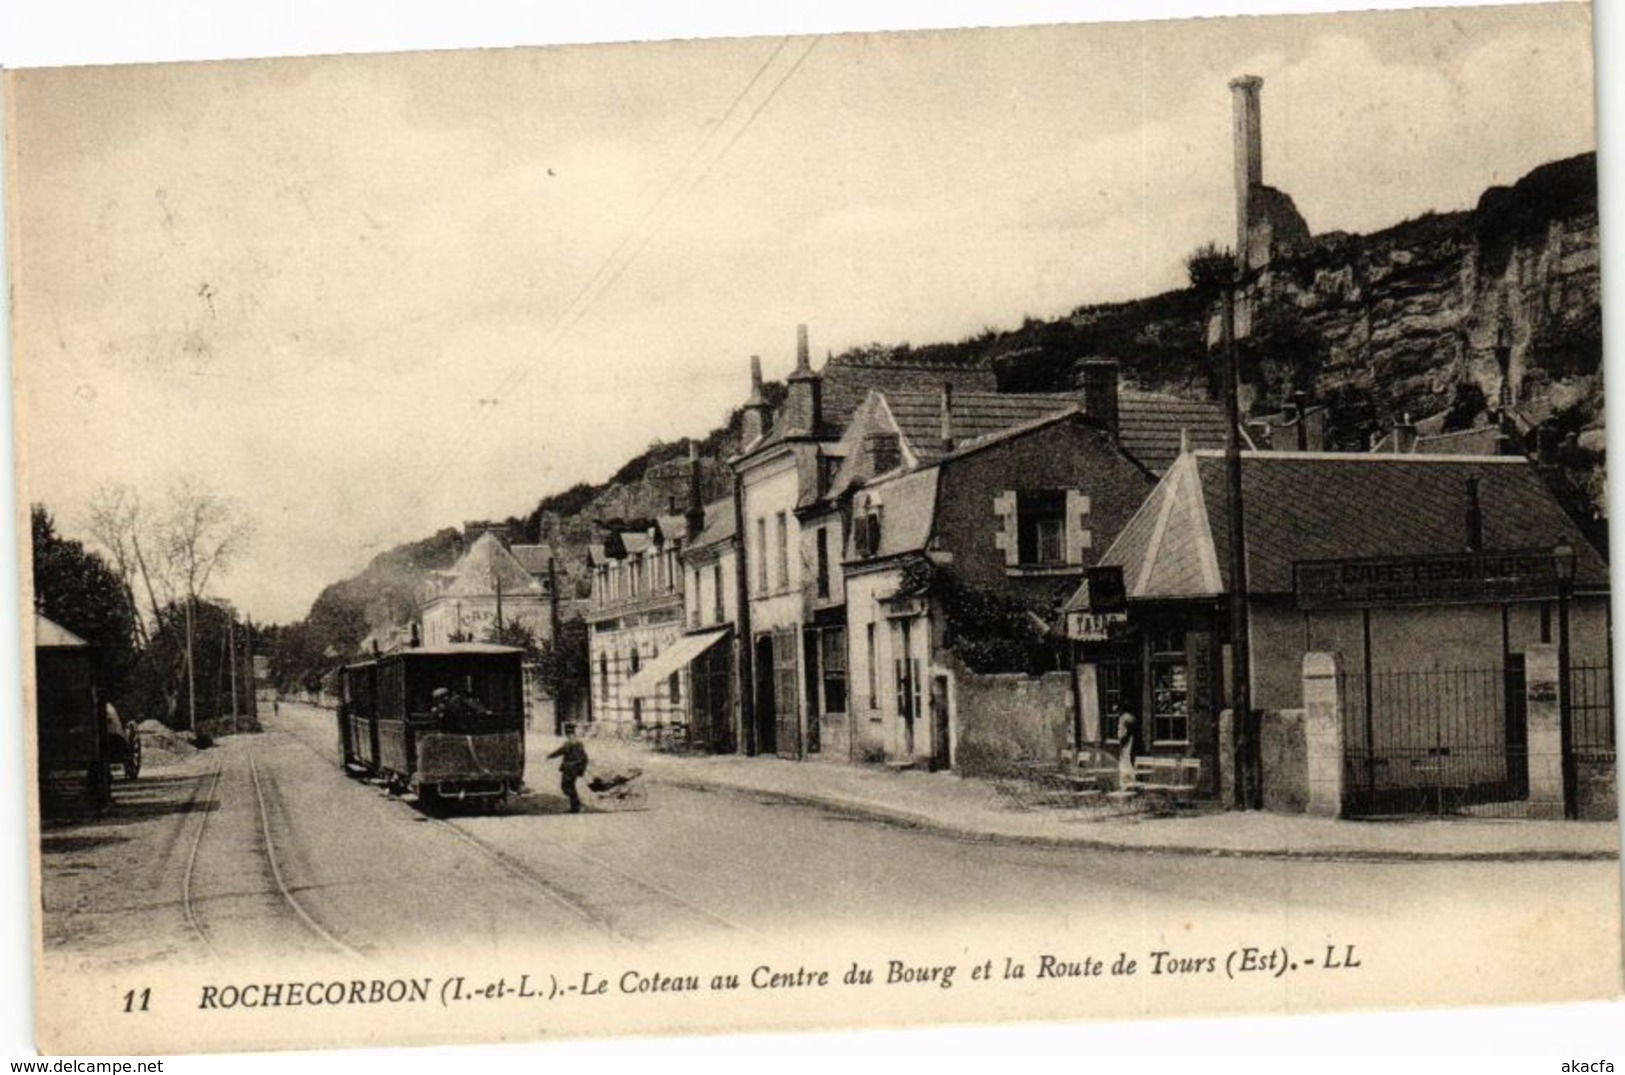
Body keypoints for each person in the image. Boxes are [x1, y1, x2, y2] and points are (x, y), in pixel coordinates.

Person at [547, 723, 590, 813]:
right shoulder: (579, 744)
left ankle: (576, 805)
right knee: (570, 787)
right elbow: (585, 758)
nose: (569, 736)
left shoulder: (570, 744)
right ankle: (575, 805)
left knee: (566, 787)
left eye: (569, 734)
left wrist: (550, 756)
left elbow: (560, 751)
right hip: (573, 769)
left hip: (569, 769)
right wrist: (581, 769)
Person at [1116, 712, 1139, 789]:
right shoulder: (1125, 746)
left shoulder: (1128, 746)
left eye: (1120, 728)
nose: (1118, 729)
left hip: (1126, 772)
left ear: (1126, 730)